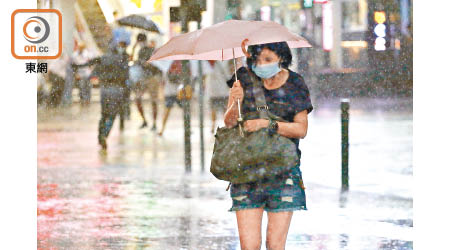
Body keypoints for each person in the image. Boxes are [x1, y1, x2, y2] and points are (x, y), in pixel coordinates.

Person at [223, 41, 313, 250]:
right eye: (257, 60)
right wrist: (235, 103)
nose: (261, 65)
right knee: (249, 246)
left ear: (282, 58)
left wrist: (268, 124)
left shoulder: (295, 84)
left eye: (268, 60)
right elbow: (228, 123)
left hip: (283, 172)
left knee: (275, 245)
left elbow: (301, 129)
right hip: (246, 172)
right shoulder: (243, 78)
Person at [74, 40, 130, 150]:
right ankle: (105, 134)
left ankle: (100, 135)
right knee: (112, 115)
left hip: (104, 89)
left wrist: (76, 67)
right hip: (117, 89)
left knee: (104, 114)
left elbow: (90, 67)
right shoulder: (122, 59)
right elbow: (126, 75)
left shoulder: (103, 58)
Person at [132, 34, 162, 130]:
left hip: (152, 78)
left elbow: (156, 64)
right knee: (137, 99)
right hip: (143, 78)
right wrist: (133, 48)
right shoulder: (140, 51)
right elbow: (136, 62)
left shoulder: (152, 50)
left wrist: (149, 64)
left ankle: (154, 123)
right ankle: (144, 120)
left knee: (153, 101)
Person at [158, 60, 190, 136]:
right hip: (178, 91)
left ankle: (162, 129)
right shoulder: (181, 63)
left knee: (167, 111)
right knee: (185, 110)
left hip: (171, 91)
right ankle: (187, 128)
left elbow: (163, 79)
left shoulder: (166, 63)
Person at [205, 60, 232, 133]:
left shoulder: (209, 61)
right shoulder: (225, 60)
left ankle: (214, 126)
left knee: (216, 110)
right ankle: (224, 126)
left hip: (214, 90)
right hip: (219, 90)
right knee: (223, 110)